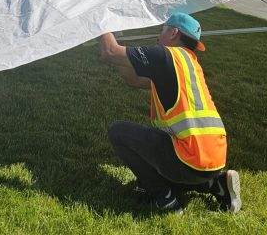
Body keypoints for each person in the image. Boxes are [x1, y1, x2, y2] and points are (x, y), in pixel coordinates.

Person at [98, 12, 241, 214]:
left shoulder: (165, 55)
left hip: (189, 158)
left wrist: (100, 24)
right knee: (163, 160)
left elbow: (110, 52)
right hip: (213, 159)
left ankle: (164, 199)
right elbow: (134, 80)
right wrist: (118, 37)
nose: (158, 36)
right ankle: (215, 184)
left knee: (118, 132)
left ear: (173, 33)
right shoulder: (189, 63)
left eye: (161, 30)